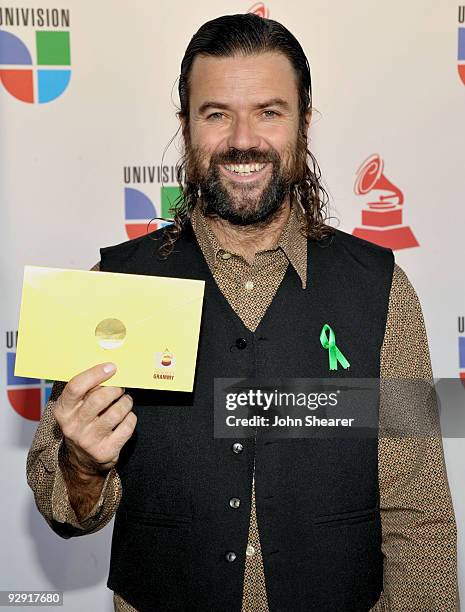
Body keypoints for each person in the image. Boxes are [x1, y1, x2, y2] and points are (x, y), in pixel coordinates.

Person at [26, 13, 459, 612]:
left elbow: (420, 511)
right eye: (217, 113)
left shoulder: (382, 290)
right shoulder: (115, 287)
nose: (243, 139)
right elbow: (59, 505)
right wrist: (80, 463)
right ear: (185, 127)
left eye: (269, 111)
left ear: (304, 125)